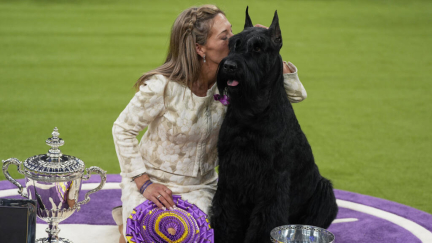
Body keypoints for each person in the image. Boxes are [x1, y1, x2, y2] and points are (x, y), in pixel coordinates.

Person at [112, 4, 307, 243]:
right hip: (154, 183)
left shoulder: (233, 81)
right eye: (225, 36)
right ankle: (128, 222)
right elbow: (122, 129)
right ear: (200, 47)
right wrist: (143, 183)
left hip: (202, 187)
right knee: (154, 232)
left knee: (194, 236)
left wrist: (267, 47)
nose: (234, 39)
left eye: (232, 32)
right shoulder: (161, 86)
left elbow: (296, 94)